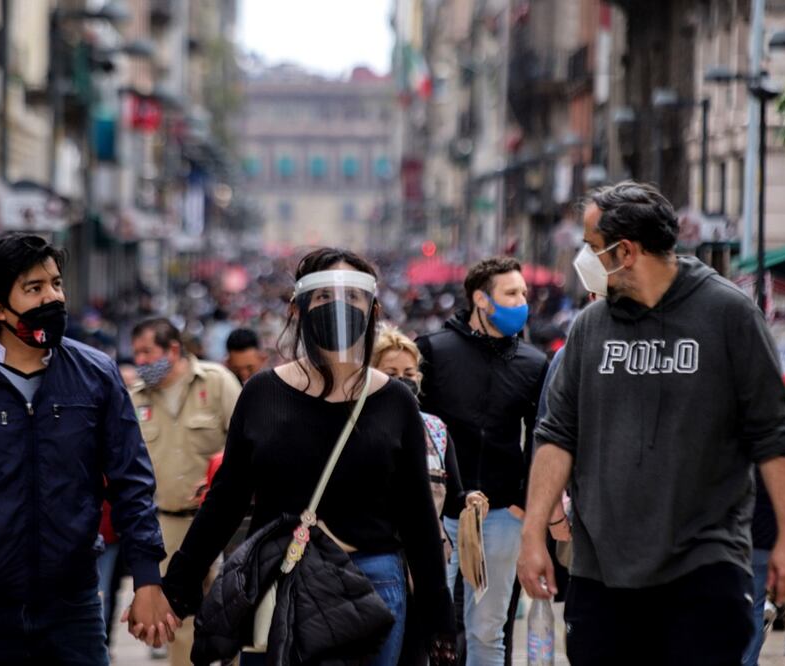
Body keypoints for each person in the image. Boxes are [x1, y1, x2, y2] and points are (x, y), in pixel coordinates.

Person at [519, 181, 785, 665]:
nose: (585, 259)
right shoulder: (590, 326)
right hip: (602, 573)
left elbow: (774, 435)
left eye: (592, 247)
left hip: (704, 568)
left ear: (626, 251)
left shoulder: (729, 314)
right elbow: (557, 434)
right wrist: (533, 534)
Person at [0, 232, 177, 665]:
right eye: (34, 288)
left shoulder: (96, 375)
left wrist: (148, 579)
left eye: (55, 283)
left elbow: (131, 482)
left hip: (72, 606)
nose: (53, 297)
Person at [161, 247, 455, 665]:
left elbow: (418, 515)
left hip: (374, 586)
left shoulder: (395, 401)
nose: (338, 306)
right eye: (323, 296)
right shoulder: (262, 393)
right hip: (284, 582)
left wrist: (438, 613)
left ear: (372, 310)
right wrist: (178, 586)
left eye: (353, 296)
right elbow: (227, 498)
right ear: (298, 308)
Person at [415, 256, 548, 665]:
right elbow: (415, 428)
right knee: (429, 624)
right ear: (481, 299)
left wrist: (524, 501)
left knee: (489, 631)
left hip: (503, 511)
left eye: (523, 293)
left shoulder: (533, 363)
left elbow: (542, 436)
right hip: (440, 513)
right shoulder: (433, 350)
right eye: (511, 293)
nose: (522, 301)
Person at [129, 317, 241, 666]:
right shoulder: (136, 399)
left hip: (222, 523)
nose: (140, 361)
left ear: (173, 349)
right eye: (136, 354)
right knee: (176, 616)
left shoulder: (217, 383)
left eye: (147, 352)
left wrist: (218, 478)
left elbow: (247, 445)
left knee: (232, 609)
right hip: (168, 525)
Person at [372, 325, 469, 664]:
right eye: (391, 373)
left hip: (425, 568)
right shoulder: (357, 426)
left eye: (409, 373)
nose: (403, 380)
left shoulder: (436, 430)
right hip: (375, 564)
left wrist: (471, 500)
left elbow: (453, 498)